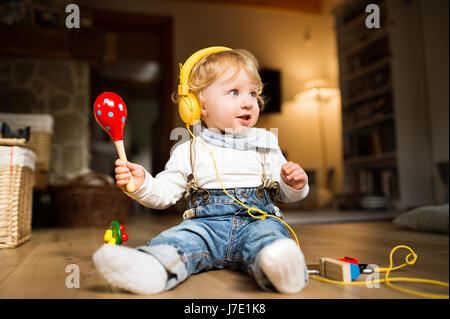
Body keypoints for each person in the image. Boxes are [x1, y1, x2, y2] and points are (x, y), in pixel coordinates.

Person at [93, 47, 310, 295]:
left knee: (270, 237)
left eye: (253, 93)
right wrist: (142, 184)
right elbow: (164, 194)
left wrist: (293, 184)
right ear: (198, 106)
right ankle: (152, 268)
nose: (248, 102)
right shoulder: (189, 150)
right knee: (178, 240)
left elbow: (285, 195)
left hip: (257, 221)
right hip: (205, 227)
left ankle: (282, 270)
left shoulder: (265, 142)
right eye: (234, 92)